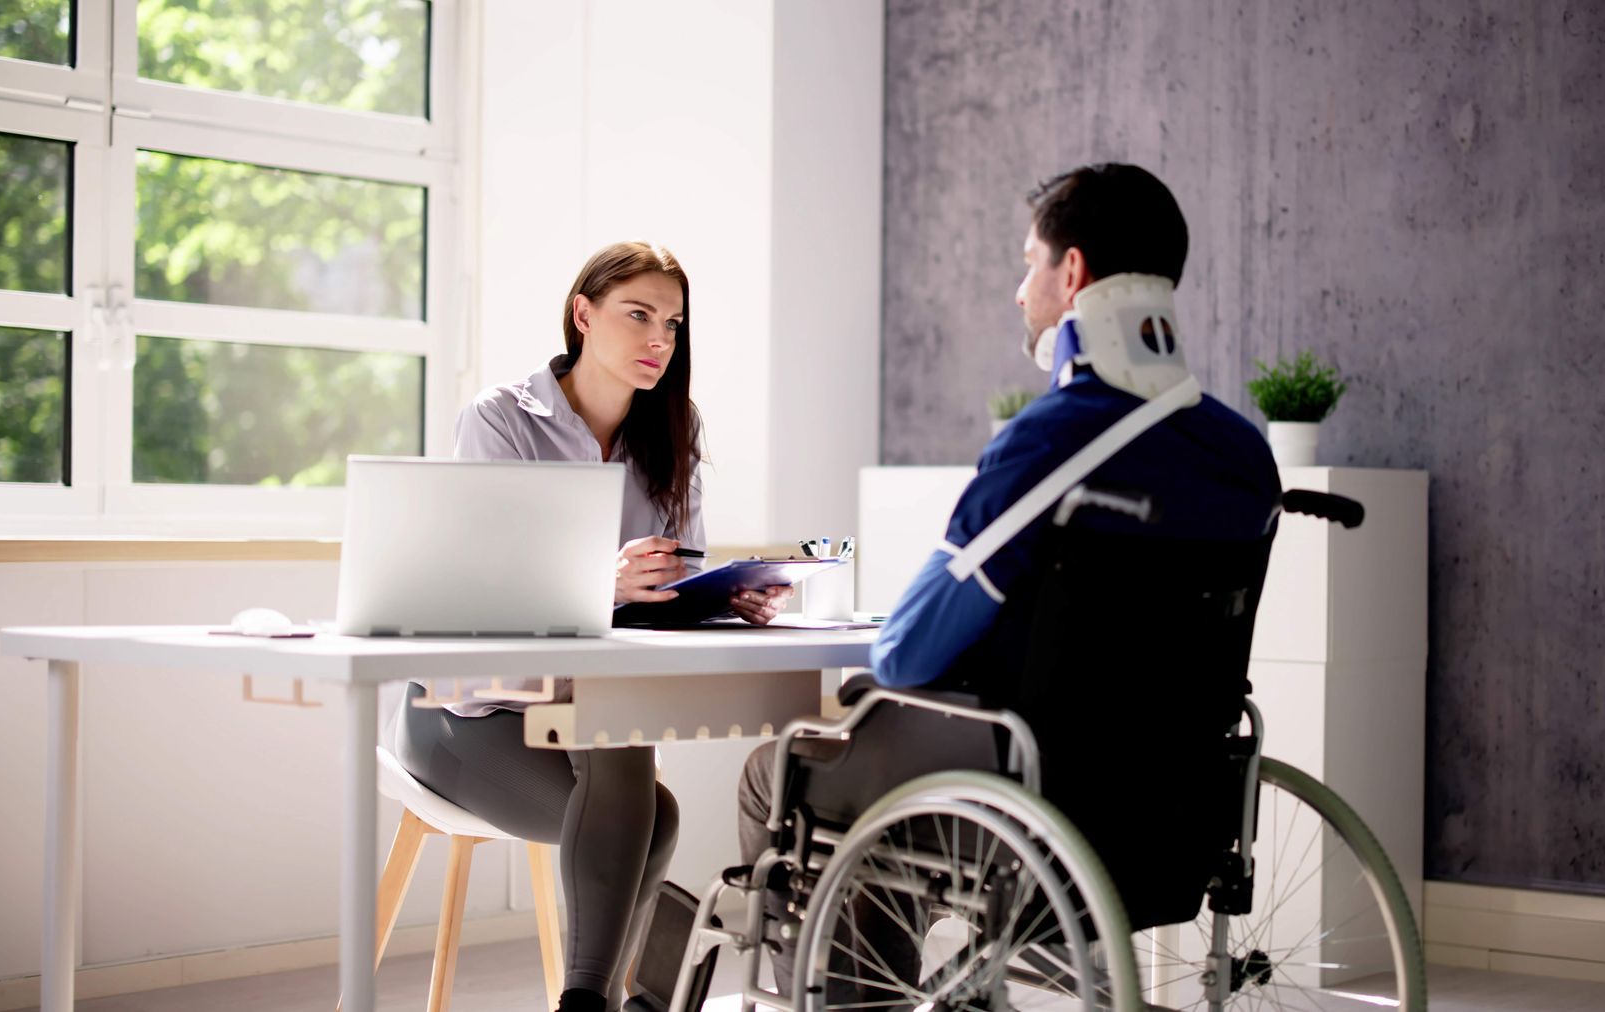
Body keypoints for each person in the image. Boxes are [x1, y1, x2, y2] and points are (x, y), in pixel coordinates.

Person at [735, 163, 1284, 998]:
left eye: (1029, 262)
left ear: (1073, 275)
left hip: (1023, 787)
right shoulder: (1245, 457)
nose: (1018, 289)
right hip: (1170, 805)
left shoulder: (1050, 442)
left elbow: (906, 658)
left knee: (783, 767)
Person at [394, 241, 793, 1012]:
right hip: (460, 713)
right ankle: (610, 1001)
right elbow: (472, 584)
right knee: (649, 802)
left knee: (629, 753)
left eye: (672, 326)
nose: (659, 342)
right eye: (638, 315)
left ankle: (588, 1003)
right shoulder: (501, 420)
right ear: (583, 315)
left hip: (578, 708)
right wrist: (597, 581)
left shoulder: (672, 428)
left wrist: (719, 593)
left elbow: (675, 572)